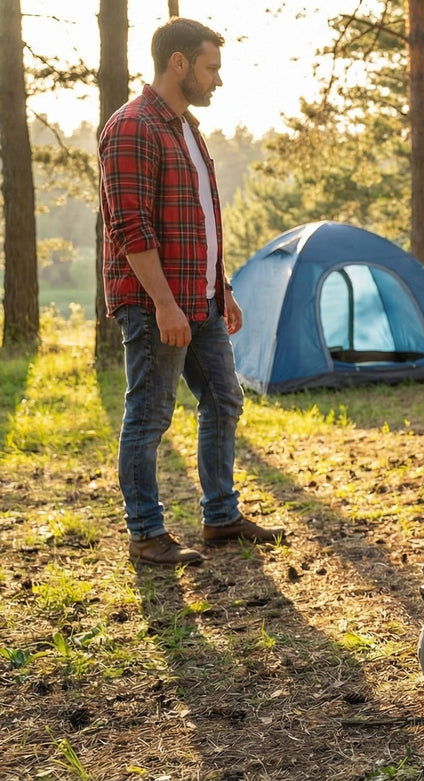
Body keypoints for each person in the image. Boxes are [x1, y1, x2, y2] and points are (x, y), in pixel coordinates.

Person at [100, 18, 283, 566]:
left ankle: (221, 517)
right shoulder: (132, 126)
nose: (217, 81)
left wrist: (220, 286)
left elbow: (198, 220)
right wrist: (162, 303)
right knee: (150, 415)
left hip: (199, 298)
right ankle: (146, 533)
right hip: (158, 303)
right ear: (178, 64)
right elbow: (131, 227)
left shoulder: (186, 128)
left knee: (224, 399)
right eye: (211, 68)